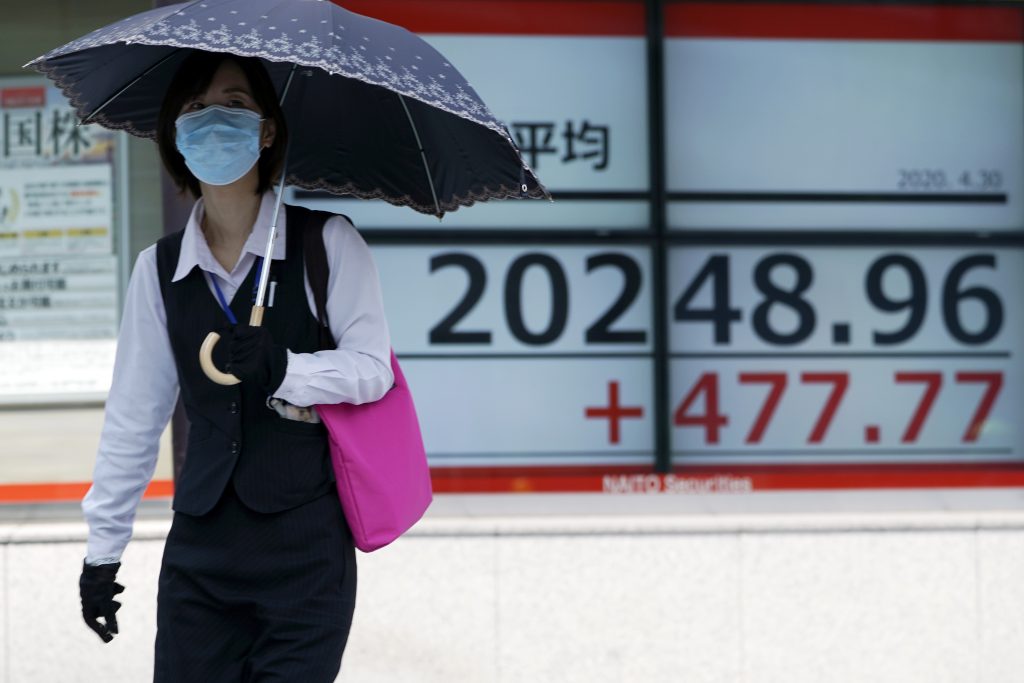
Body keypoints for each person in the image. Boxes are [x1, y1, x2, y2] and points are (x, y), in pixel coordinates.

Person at [77, 50, 393, 682]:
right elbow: (134, 419)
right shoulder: (158, 269)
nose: (212, 121)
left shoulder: (326, 242)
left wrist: (286, 368)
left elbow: (371, 369)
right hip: (203, 551)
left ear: (267, 129)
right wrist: (102, 552)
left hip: (305, 549)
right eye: (194, 108)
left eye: (234, 105)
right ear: (173, 132)